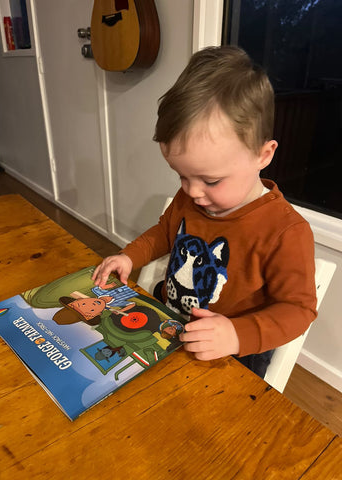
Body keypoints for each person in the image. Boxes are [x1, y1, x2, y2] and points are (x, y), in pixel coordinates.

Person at [92, 45, 317, 377]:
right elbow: (163, 234)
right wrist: (129, 257)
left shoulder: (285, 232)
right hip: (172, 324)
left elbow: (298, 310)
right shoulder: (193, 198)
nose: (192, 191)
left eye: (211, 180)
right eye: (182, 175)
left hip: (233, 353)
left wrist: (236, 336)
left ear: (263, 155)